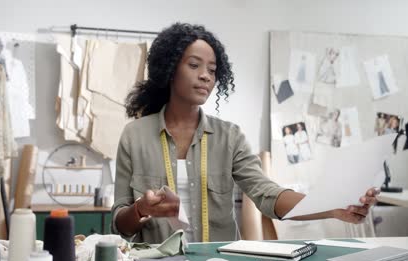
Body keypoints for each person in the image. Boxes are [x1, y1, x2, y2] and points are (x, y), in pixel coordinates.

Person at [111, 23, 379, 244]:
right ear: (169, 69)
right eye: (194, 65)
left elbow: (267, 194)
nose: (205, 76)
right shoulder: (134, 136)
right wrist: (140, 209)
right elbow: (119, 225)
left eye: (213, 70)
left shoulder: (230, 137)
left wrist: (332, 207)